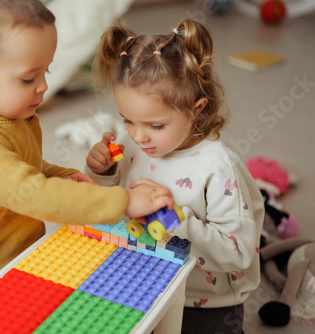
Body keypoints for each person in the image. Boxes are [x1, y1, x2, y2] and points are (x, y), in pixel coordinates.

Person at [0, 0, 174, 318]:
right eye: (29, 78)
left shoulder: (10, 117)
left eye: (46, 71)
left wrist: (61, 176)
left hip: (16, 257)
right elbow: (32, 193)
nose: (44, 86)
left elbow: (29, 170)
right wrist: (122, 201)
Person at [86, 18, 264, 333]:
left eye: (155, 125)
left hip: (204, 301)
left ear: (197, 108)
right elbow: (116, 199)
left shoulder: (218, 167)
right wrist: (105, 172)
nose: (138, 137)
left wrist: (169, 219)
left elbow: (238, 253)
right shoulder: (132, 142)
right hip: (144, 280)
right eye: (127, 119)